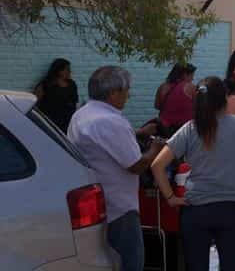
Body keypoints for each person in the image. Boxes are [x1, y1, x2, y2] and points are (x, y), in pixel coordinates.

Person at [151, 77, 235, 271]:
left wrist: (171, 197)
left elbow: (157, 165)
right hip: (233, 210)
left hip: (196, 210)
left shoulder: (190, 129)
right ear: (225, 98)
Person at [67, 66, 164, 271]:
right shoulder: (111, 121)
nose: (129, 96)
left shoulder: (82, 114)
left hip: (98, 202)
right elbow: (136, 165)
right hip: (119, 207)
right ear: (113, 93)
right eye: (127, 90)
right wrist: (156, 149)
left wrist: (137, 133)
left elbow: (104, 142)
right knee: (131, 262)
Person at [34, 58, 79, 133]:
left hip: (67, 122)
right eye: (67, 69)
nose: (70, 72)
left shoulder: (72, 84)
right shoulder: (45, 85)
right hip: (51, 122)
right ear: (59, 71)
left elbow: (74, 102)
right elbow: (36, 103)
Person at [154, 63, 196, 137]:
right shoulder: (190, 87)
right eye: (192, 76)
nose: (193, 79)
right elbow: (199, 107)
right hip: (184, 130)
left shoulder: (163, 87)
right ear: (185, 75)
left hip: (164, 129)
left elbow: (157, 106)